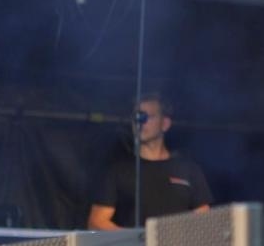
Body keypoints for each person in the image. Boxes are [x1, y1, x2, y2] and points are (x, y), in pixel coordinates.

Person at [87, 94, 212, 230]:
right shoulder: (117, 170)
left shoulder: (189, 169)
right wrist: (137, 240)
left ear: (165, 124)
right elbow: (96, 222)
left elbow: (204, 218)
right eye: (137, 117)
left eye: (148, 117)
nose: (140, 122)